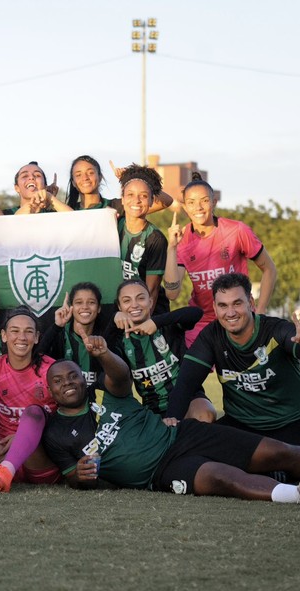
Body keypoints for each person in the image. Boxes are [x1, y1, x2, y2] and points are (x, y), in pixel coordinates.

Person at [41, 337, 300, 507]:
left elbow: (121, 375)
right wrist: (80, 477)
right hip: (161, 472)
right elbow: (73, 477)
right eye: (58, 381)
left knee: (279, 451)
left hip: (182, 436)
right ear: (50, 390)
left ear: (84, 380)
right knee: (222, 478)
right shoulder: (55, 431)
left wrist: (106, 353)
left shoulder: (103, 394)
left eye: (73, 376)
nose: (67, 382)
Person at [165, 273, 300, 467]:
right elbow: (186, 384)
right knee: (195, 458)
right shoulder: (211, 336)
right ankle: (277, 472)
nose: (230, 312)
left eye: (237, 303)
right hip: (243, 425)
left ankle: (279, 471)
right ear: (214, 308)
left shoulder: (274, 329)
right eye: (223, 305)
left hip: (296, 421)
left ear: (251, 303)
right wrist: (172, 420)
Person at [162, 173, 277, 347]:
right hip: (202, 322)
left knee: (246, 372)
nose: (198, 207)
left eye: (204, 201)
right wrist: (171, 248)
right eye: (191, 202)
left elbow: (269, 269)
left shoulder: (237, 231)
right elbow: (172, 293)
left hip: (237, 316)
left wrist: (259, 311)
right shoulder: (182, 239)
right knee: (186, 369)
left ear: (214, 202)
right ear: (185, 207)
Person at [0, 307, 60, 492]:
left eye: (28, 331)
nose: (21, 337)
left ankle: (6, 472)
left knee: (33, 411)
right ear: (4, 336)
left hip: (38, 460)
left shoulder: (51, 369)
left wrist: (24, 437)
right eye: (15, 331)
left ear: (37, 337)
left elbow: (72, 413)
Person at [107, 279, 215, 421]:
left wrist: (156, 322)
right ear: (119, 307)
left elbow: (195, 313)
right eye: (127, 301)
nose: (134, 304)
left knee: (205, 414)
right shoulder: (121, 341)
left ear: (150, 302)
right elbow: (101, 351)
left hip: (189, 399)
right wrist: (113, 318)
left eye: (140, 298)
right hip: (153, 409)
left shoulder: (168, 326)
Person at [115, 163, 170, 316]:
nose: (137, 201)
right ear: (123, 199)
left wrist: (142, 325)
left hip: (148, 313)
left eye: (144, 196)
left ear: (152, 201)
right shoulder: (113, 226)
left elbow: (151, 291)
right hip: (121, 310)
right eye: (130, 195)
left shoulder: (155, 239)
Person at [38, 282, 113, 393]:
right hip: (67, 401)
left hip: (99, 402)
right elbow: (37, 358)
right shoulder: (60, 334)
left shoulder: (105, 335)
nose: (85, 307)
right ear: (71, 307)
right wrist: (57, 326)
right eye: (79, 302)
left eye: (91, 302)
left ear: (99, 308)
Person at [65, 155, 172, 213]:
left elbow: (166, 201)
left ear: (100, 177)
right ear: (73, 183)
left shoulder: (118, 206)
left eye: (90, 173)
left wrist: (130, 180)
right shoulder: (68, 211)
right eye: (78, 175)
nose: (85, 178)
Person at [4, 162, 71, 215]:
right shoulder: (5, 214)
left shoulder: (54, 215)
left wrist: (50, 197)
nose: (31, 177)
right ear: (17, 188)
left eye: (37, 175)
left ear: (45, 186)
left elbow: (75, 220)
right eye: (25, 176)